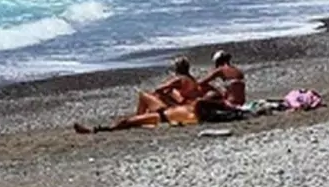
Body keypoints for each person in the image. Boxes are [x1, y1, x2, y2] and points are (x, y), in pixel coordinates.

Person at [73, 57, 223, 133]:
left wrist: (165, 92)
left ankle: (96, 130)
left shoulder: (183, 84)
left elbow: (160, 88)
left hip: (164, 115)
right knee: (131, 120)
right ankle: (137, 119)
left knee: (130, 118)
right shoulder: (193, 89)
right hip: (166, 114)